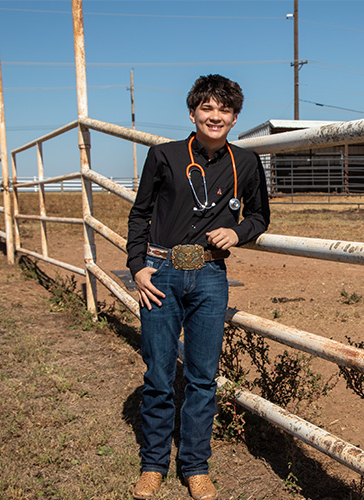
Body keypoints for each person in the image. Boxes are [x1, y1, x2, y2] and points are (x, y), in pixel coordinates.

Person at [126, 74, 270, 500]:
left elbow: (261, 217)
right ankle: (153, 464)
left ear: (235, 117)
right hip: (161, 272)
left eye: (224, 110)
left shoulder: (246, 163)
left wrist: (239, 233)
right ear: (193, 113)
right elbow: (139, 215)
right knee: (158, 373)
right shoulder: (165, 156)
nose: (215, 116)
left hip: (209, 275)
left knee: (204, 377)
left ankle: (195, 466)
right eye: (207, 108)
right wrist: (137, 266)